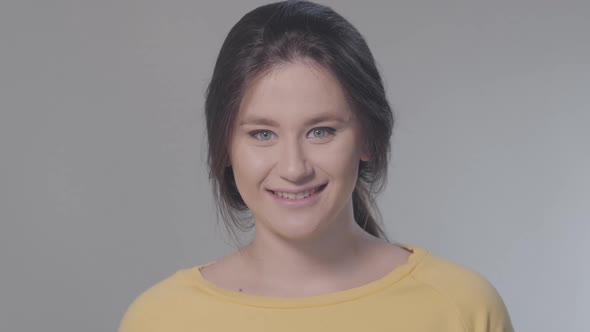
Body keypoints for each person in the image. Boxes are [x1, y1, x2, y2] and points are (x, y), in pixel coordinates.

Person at [119, 1, 514, 331]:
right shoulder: (160, 318)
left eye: (321, 131)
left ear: (367, 138)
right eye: (262, 134)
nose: (294, 168)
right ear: (226, 145)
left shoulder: (463, 307)